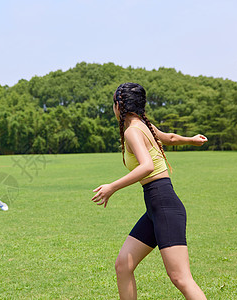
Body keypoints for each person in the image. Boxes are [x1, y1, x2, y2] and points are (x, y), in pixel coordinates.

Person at [91, 83, 207, 299]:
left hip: (163, 206)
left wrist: (112, 187)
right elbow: (169, 138)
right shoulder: (144, 126)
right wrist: (191, 140)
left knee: (180, 278)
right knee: (123, 265)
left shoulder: (133, 131)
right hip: (155, 208)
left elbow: (147, 166)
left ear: (119, 105)